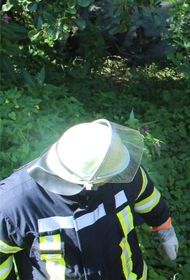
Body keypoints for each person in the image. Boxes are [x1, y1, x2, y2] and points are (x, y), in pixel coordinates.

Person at [0, 119, 178, 279]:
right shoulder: (16, 204)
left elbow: (148, 198)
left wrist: (164, 229)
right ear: (89, 183)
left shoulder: (118, 168)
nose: (124, 173)